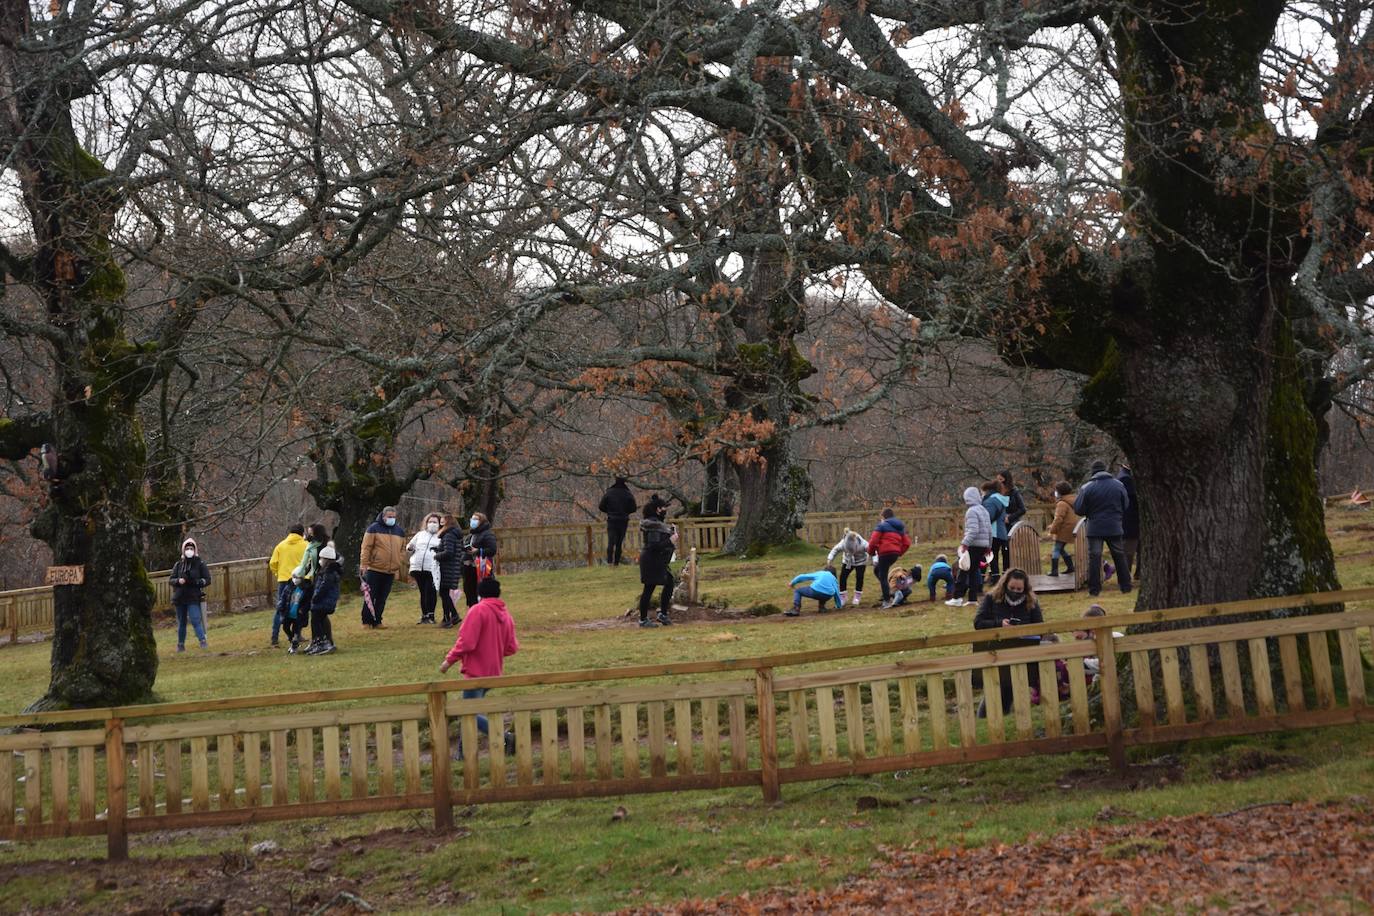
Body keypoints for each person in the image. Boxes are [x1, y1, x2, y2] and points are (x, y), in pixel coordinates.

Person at [439, 576, 519, 758]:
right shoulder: (505, 614)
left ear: (479, 593)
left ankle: (504, 736)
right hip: (494, 672)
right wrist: (494, 652)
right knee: (470, 710)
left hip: (476, 673)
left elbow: (466, 643)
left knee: (468, 713)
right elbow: (511, 647)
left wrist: (448, 661)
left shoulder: (477, 611)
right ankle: (462, 753)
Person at [972, 568, 1044, 715]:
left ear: (1025, 589)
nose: (1015, 591)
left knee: (1010, 690)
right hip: (995, 651)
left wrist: (1023, 631)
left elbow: (1040, 627)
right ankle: (984, 717)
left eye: (1019, 589)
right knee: (994, 690)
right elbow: (978, 622)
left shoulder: (1032, 602)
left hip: (1021, 652)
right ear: (1005, 584)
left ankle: (1003, 716)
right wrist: (999, 624)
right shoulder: (991, 598)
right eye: (1012, 588)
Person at [1073, 460, 1133, 596]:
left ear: (1093, 472)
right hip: (1114, 526)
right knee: (1119, 556)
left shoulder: (1087, 487)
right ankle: (1126, 586)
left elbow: (1078, 509)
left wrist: (1090, 512)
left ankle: (1094, 589)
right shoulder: (1119, 485)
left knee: (1095, 558)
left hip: (1095, 527)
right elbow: (1126, 504)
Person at [359, 505, 407, 628]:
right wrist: (364, 563)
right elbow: (366, 548)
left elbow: (402, 549)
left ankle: (378, 620)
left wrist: (399, 561)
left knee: (382, 597)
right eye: (389, 517)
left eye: (394, 517)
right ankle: (366, 620)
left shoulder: (399, 531)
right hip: (375, 568)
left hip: (390, 570)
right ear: (384, 516)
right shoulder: (373, 529)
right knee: (371, 595)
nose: (392, 519)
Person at [286, 523, 328, 652]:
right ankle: (316, 640)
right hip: (310, 580)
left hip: (319, 579)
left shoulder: (324, 547)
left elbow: (320, 564)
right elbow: (306, 564)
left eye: (311, 533)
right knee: (313, 612)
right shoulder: (310, 546)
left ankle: (323, 639)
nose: (308, 535)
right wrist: (299, 576)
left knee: (318, 612)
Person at [636, 496, 677, 627]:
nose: (666, 510)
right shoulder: (654, 525)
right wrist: (671, 540)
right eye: (664, 507)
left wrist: (670, 534)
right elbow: (654, 546)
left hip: (657, 560)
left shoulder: (656, 524)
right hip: (651, 560)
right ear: (658, 509)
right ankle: (643, 619)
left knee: (669, 582)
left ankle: (663, 614)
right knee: (649, 588)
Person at [947, 486, 991, 607]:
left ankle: (957, 597)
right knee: (973, 572)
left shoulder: (972, 511)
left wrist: (964, 543)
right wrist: (989, 545)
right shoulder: (984, 510)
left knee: (963, 569)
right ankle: (972, 599)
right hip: (983, 545)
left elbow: (973, 530)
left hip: (973, 545)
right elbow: (989, 530)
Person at [267, 523, 307, 648]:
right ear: (302, 533)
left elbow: (273, 563)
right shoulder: (306, 546)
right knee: (299, 608)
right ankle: (297, 634)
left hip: (284, 579)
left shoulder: (281, 546)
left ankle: (275, 637)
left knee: (281, 607)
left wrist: (278, 573)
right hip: (301, 580)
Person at [171, 537, 212, 652]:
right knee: (181, 622)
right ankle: (180, 644)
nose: (189, 550)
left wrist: (199, 582)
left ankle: (202, 641)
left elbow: (208, 579)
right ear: (183, 550)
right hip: (180, 597)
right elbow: (171, 579)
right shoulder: (179, 565)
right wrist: (178, 581)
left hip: (193, 597)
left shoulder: (200, 564)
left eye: (191, 548)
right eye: (187, 548)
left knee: (195, 619)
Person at [868, 508, 912, 608]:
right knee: (877, 570)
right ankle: (891, 591)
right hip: (894, 554)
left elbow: (873, 541)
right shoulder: (900, 528)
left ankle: (888, 600)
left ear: (883, 517)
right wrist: (899, 552)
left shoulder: (881, 526)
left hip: (884, 553)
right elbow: (907, 543)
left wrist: (871, 552)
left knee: (882, 576)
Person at [304, 542, 341, 655]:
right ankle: (319, 641)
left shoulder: (328, 573)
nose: (320, 560)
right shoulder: (328, 571)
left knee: (316, 621)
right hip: (324, 601)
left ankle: (321, 642)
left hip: (323, 602)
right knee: (317, 620)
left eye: (321, 558)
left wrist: (315, 597)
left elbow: (323, 588)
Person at [407, 512, 444, 624]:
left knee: (430, 591)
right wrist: (410, 547)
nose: (432, 524)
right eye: (430, 521)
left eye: (435, 522)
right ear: (426, 523)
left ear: (439, 524)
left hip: (432, 567)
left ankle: (431, 615)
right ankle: (424, 615)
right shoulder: (420, 534)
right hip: (418, 567)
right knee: (423, 592)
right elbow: (409, 545)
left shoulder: (441, 536)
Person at [432, 513, 466, 628]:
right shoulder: (455, 534)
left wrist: (436, 556)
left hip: (447, 568)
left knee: (444, 593)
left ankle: (452, 616)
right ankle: (447, 618)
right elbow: (454, 549)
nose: (440, 524)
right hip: (454, 568)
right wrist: (438, 549)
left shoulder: (448, 535)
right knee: (445, 593)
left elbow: (449, 552)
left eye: (442, 522)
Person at [462, 512, 499, 608]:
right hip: (469, 566)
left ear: (481, 521)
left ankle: (483, 608)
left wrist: (478, 551)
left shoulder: (488, 534)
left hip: (481, 567)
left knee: (479, 589)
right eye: (472, 519)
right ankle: (472, 609)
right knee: (468, 589)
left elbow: (492, 550)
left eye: (475, 519)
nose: (472, 521)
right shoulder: (471, 535)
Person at [598, 477, 637, 566]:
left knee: (611, 541)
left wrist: (609, 511)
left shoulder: (609, 493)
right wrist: (626, 512)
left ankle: (609, 562)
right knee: (619, 542)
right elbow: (633, 508)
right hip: (623, 520)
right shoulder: (628, 494)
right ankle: (616, 562)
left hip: (612, 519)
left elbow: (601, 506)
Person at [826, 528, 870, 606]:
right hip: (847, 561)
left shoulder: (863, 544)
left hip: (861, 561)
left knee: (859, 577)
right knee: (843, 577)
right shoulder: (842, 544)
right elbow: (834, 550)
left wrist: (876, 560)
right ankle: (843, 597)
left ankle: (857, 596)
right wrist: (830, 559)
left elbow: (873, 551)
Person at [1045, 481, 1079, 578]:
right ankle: (1070, 567)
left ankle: (1054, 571)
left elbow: (1058, 519)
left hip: (1064, 528)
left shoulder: (1062, 503)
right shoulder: (1073, 500)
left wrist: (1052, 529)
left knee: (1056, 548)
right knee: (1061, 549)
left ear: (1059, 492)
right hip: (1071, 527)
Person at [982, 480, 1010, 579]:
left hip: (993, 532)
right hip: (1001, 532)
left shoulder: (991, 501)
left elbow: (988, 516)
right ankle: (999, 577)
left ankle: (994, 578)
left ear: (988, 490)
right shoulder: (1000, 499)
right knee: (995, 556)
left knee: (990, 556)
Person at [1117, 462, 1140, 580]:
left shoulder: (1124, 476)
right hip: (1130, 519)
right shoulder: (1126, 478)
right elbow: (1134, 498)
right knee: (1129, 549)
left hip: (1130, 519)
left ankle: (1137, 573)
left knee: (1133, 548)